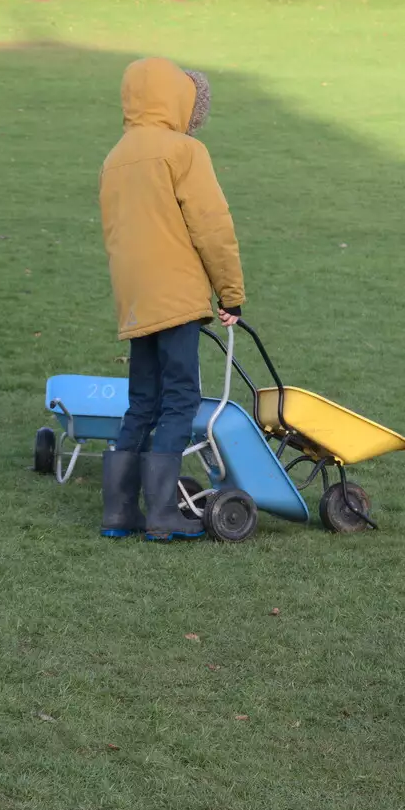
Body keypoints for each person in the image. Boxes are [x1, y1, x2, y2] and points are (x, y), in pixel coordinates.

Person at [97, 57, 245, 541]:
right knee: (180, 397)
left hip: (135, 295)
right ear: (178, 98)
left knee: (142, 399)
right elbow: (212, 226)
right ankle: (163, 514)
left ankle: (119, 513)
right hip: (177, 293)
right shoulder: (184, 151)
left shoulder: (115, 156)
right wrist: (231, 293)